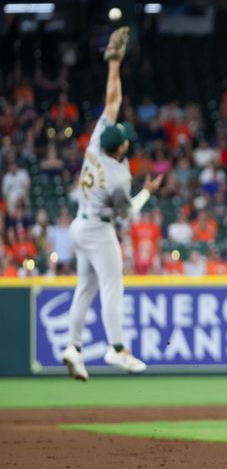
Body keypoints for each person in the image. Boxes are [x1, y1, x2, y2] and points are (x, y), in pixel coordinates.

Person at [61, 27, 163, 382]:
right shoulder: (120, 177)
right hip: (99, 230)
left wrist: (115, 64)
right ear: (119, 148)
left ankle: (73, 347)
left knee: (85, 288)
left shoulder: (94, 144)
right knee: (111, 288)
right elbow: (129, 212)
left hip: (79, 224)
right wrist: (148, 191)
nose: (128, 145)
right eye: (127, 143)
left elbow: (112, 100)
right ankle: (117, 349)